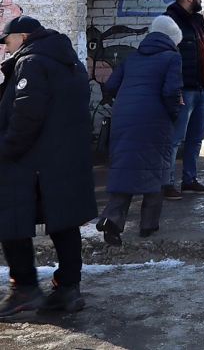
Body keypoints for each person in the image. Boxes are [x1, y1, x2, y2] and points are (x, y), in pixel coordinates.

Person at [0, 16, 96, 316]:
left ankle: (24, 288)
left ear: (23, 36)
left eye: (7, 41)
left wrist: (5, 151)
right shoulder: (69, 60)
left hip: (32, 161)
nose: (5, 49)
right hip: (64, 159)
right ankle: (68, 289)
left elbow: (27, 116)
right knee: (64, 222)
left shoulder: (32, 62)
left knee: (9, 216)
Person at [96, 16, 183, 247]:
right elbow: (172, 92)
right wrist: (173, 113)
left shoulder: (132, 57)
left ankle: (112, 219)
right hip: (155, 119)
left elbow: (112, 86)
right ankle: (148, 226)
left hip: (123, 117)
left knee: (126, 168)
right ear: (173, 39)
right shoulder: (172, 58)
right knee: (154, 171)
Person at [163, 0, 204, 199]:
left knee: (196, 137)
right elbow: (167, 56)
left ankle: (189, 180)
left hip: (201, 87)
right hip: (183, 90)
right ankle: (166, 183)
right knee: (175, 138)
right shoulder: (170, 20)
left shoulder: (197, 20)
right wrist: (174, 88)